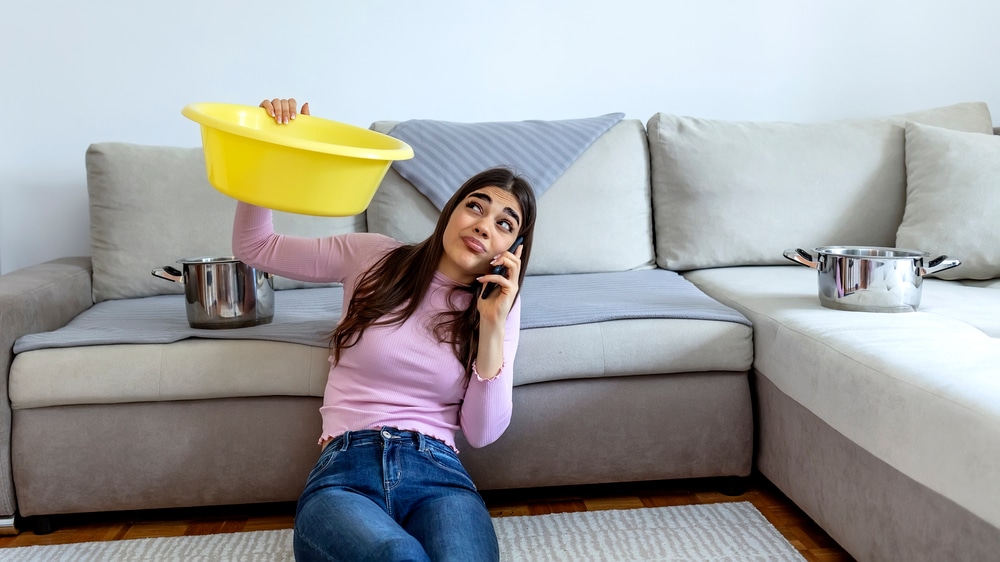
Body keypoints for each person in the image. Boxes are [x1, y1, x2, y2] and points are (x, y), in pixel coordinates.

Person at [233, 98, 537, 562]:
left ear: (512, 248)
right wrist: (268, 143)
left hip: (440, 475)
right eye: (475, 206)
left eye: (503, 223)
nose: (482, 225)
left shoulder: (498, 308)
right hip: (345, 472)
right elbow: (256, 246)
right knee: (398, 556)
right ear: (451, 211)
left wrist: (492, 327)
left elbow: (481, 433)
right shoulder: (373, 256)